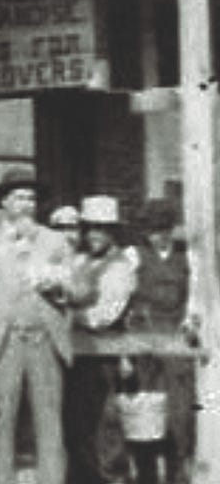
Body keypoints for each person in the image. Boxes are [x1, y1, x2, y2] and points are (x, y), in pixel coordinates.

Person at [0, 167, 77, 484]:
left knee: (49, 423)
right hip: (6, 345)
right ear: (4, 203)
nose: (26, 204)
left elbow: (76, 289)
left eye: (31, 198)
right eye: (19, 198)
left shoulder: (55, 241)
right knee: (3, 424)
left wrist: (57, 286)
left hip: (45, 343)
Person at [68, 195, 138, 484]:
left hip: (105, 356)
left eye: (102, 228)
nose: (94, 235)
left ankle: (114, 479)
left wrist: (68, 315)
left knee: (106, 425)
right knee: (78, 425)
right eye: (91, 228)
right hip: (77, 355)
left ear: (113, 232)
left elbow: (104, 315)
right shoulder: (80, 261)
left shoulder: (120, 267)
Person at [127, 197, 195, 484]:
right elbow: (124, 298)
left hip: (176, 341)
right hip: (144, 340)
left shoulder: (187, 258)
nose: (158, 236)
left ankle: (178, 473)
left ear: (171, 229)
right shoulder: (134, 255)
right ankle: (146, 476)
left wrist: (190, 322)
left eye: (163, 229)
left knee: (180, 412)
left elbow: (195, 298)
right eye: (152, 230)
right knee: (146, 411)